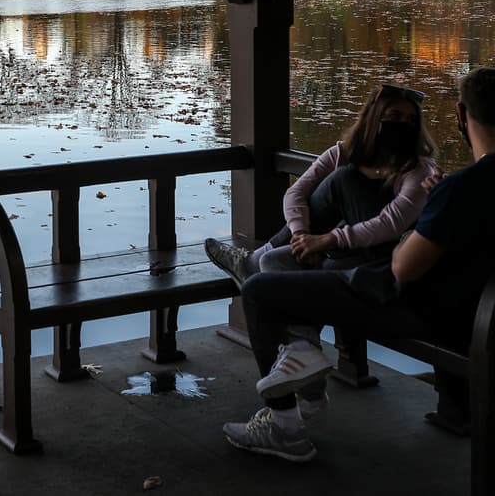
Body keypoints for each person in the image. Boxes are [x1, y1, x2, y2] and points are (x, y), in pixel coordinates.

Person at [221, 66, 495, 462]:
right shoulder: (451, 186)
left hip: (419, 307)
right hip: (470, 309)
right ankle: (299, 334)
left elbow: (404, 268)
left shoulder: (458, 186)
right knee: (319, 248)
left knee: (260, 291)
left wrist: (428, 213)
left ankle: (286, 426)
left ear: (462, 115)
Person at [205, 83, 438, 286]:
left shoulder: (418, 168)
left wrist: (327, 239)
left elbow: (392, 223)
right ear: (373, 118)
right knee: (273, 260)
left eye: (411, 120)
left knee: (341, 180)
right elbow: (296, 192)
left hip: (388, 256)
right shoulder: (343, 153)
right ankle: (302, 336)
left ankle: (251, 263)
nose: (403, 125)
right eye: (395, 116)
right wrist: (302, 235)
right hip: (341, 248)